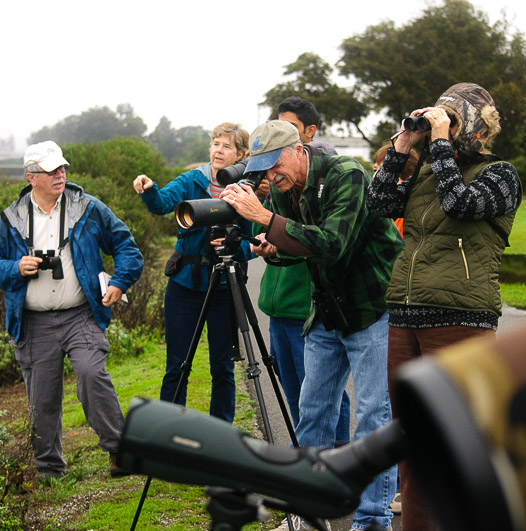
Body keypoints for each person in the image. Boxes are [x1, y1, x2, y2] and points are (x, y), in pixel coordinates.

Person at [220, 120, 402, 531]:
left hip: (371, 306)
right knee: (313, 409)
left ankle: (372, 520)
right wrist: (272, 248)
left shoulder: (347, 174)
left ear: (298, 149)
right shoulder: (287, 190)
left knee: (373, 414)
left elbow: (333, 244)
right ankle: (305, 510)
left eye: (274, 165)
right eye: (263, 169)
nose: (270, 176)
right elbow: (299, 248)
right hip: (326, 308)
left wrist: (266, 218)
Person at [366, 82, 522, 531]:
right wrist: (402, 144)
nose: (443, 128)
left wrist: (438, 146)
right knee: (412, 450)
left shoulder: (501, 175)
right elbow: (377, 203)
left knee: (458, 450)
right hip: (406, 316)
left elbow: (459, 204)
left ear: (472, 125)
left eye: (450, 120)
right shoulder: (427, 171)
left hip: (460, 320)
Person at [0, 140, 143, 480]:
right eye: (51, 170)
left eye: (62, 168)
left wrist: (119, 283)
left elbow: (127, 247)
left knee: (91, 373)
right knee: (42, 398)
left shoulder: (88, 208)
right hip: (33, 321)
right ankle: (49, 469)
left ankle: (119, 450)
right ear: (31, 177)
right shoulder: (11, 218)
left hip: (81, 314)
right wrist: (14, 268)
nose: (60, 174)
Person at [133, 122, 255, 424]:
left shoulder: (244, 192)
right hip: (184, 286)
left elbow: (249, 244)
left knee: (223, 368)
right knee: (177, 365)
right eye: (215, 143)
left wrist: (232, 243)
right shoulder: (192, 179)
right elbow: (161, 204)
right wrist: (149, 190)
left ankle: (220, 438)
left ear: (240, 154)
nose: (218, 150)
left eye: (226, 146)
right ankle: (168, 436)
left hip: (224, 288)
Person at [258, 97, 351, 453]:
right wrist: (269, 241)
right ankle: (310, 459)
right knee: (300, 391)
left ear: (306, 136)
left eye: (289, 130)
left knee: (324, 391)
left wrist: (272, 224)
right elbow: (279, 240)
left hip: (307, 305)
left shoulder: (327, 179)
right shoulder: (278, 183)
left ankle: (339, 456)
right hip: (278, 305)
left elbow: (325, 242)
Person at [371, 143, 419, 237]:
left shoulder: (412, 215)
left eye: (383, 171)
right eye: (375, 170)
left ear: (408, 175)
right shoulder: (374, 211)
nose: (375, 176)